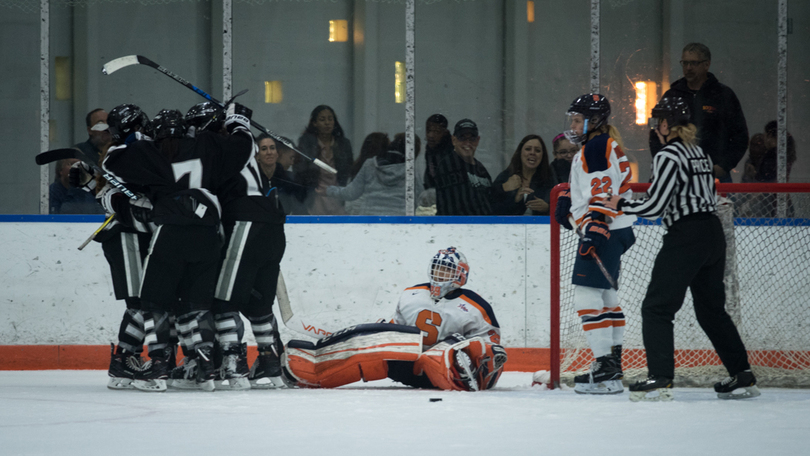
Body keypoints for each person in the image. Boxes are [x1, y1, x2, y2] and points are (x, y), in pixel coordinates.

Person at [604, 96, 760, 402]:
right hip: (713, 234)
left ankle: (660, 378)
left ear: (665, 124)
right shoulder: (698, 152)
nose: (654, 128)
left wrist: (620, 202)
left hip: (686, 236)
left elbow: (654, 206)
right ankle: (742, 375)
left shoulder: (667, 155)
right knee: (712, 311)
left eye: (657, 122)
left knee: (656, 308)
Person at [103, 105, 255, 392]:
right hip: (209, 232)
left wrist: (135, 142)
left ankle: (160, 366)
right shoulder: (207, 145)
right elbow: (243, 150)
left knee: (154, 302)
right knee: (197, 303)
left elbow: (112, 162)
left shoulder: (153, 152)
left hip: (170, 231)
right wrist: (239, 122)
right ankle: (205, 367)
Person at [281, 247, 507, 391]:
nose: (440, 276)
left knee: (442, 352)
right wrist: (381, 332)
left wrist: (461, 352)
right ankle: (317, 370)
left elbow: (491, 347)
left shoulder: (476, 306)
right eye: (437, 270)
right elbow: (397, 330)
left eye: (446, 271)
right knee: (375, 338)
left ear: (461, 274)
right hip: (406, 368)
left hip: (449, 375)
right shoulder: (411, 294)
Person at [555, 93, 636, 394]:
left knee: (587, 298)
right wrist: (575, 211)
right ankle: (612, 368)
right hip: (617, 229)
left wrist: (594, 227)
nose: (573, 125)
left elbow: (603, 192)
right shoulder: (602, 145)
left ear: (595, 121)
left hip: (605, 229)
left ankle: (605, 365)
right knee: (607, 296)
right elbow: (598, 188)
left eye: (578, 120)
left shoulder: (598, 146)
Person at [87, 104, 155, 389]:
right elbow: (110, 199)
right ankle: (124, 360)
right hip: (125, 235)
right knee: (139, 301)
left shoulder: (131, 151)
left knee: (146, 299)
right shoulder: (119, 154)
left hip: (139, 234)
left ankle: (127, 359)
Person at [651, 43, 748, 183]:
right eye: (685, 63)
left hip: (716, 176)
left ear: (706, 64)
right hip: (678, 175)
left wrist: (722, 167)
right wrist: (665, 163)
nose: (688, 68)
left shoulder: (722, 95)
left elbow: (740, 136)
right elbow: (655, 131)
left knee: (719, 206)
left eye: (694, 63)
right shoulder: (672, 96)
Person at [322, 133, 423, 215]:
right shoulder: (411, 170)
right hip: (400, 221)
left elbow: (351, 193)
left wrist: (328, 190)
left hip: (369, 219)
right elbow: (420, 196)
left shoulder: (370, 164)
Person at [294, 105, 353, 215]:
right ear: (314, 123)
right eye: (322, 119)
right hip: (314, 197)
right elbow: (300, 171)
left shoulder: (343, 144)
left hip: (338, 196)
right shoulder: (307, 143)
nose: (327, 123)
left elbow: (348, 171)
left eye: (330, 119)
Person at [434, 119, 493, 215]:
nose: (467, 143)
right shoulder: (448, 165)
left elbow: (491, 200)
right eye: (462, 138)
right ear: (454, 140)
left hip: (486, 227)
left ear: (477, 141)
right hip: (457, 227)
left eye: (472, 139)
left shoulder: (481, 169)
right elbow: (457, 206)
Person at [491, 134, 557, 215]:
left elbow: (562, 209)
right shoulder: (506, 176)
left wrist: (547, 208)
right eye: (528, 149)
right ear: (520, 153)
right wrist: (514, 199)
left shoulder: (550, 178)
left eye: (537, 150)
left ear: (543, 156)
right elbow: (493, 208)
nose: (532, 153)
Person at [256, 133, 307, 215]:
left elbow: (301, 213)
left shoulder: (291, 182)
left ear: (277, 154)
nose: (269, 152)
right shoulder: (248, 179)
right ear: (257, 155)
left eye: (272, 148)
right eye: (264, 149)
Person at [423, 114, 453, 190]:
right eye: (428, 130)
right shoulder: (430, 150)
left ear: (444, 133)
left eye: (436, 131)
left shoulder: (451, 153)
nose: (431, 135)